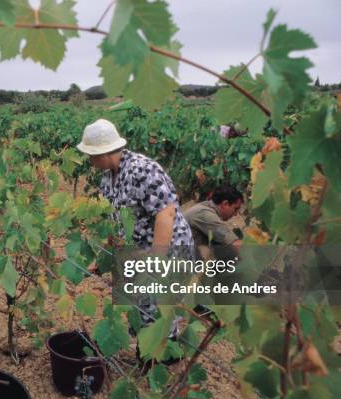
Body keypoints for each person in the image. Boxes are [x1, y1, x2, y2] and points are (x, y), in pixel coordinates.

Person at [77, 119, 194, 326]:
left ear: (104, 152)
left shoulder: (142, 170)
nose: (90, 161)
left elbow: (166, 214)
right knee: (138, 301)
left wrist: (156, 262)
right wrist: (105, 255)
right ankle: (145, 346)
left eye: (92, 156)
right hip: (138, 249)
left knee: (158, 305)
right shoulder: (107, 178)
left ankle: (163, 356)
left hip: (166, 245)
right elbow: (116, 220)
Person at [183, 184, 243, 260]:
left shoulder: (205, 207)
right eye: (235, 209)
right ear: (225, 204)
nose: (236, 214)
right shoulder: (205, 214)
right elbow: (235, 243)